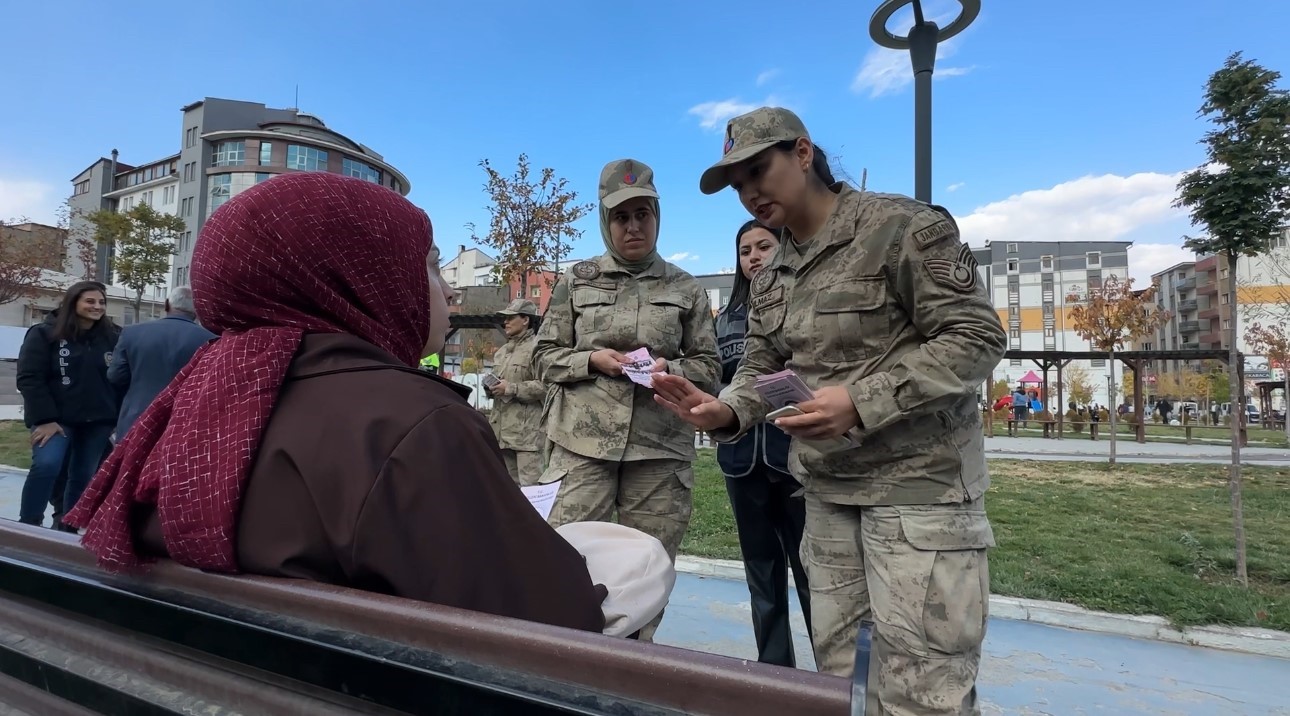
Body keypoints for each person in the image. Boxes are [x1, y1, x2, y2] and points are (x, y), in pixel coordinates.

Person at [64, 172, 607, 633]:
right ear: (360, 278)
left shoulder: (191, 402)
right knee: (628, 559)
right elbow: (551, 628)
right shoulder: (412, 424)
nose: (447, 292)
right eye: (431, 266)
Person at [653, 107, 1006, 712]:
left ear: (803, 153)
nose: (749, 192)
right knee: (841, 685)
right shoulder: (772, 275)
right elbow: (762, 366)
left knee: (924, 691)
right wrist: (727, 411)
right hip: (826, 497)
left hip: (918, 497)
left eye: (757, 171)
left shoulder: (901, 227)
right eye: (736, 184)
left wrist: (861, 402)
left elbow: (976, 336)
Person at [533, 158, 721, 642]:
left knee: (648, 575)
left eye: (643, 214)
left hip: (659, 452)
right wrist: (592, 360)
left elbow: (710, 365)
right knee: (563, 561)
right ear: (605, 220)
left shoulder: (685, 288)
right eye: (621, 216)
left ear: (658, 217)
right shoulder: (577, 281)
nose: (633, 226)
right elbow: (543, 356)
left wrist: (671, 370)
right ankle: (562, 661)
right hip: (581, 448)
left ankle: (635, 665)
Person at [715, 219, 811, 667]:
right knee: (761, 572)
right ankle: (776, 672)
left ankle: (832, 679)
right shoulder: (724, 320)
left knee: (812, 572)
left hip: (794, 459)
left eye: (764, 246)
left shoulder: (807, 307)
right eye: (745, 250)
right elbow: (714, 377)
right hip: (741, 460)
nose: (754, 257)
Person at [15, 281, 121, 530]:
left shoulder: (113, 337)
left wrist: (116, 417)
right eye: (90, 301)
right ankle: (28, 525)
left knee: (83, 475)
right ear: (73, 303)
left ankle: (68, 527)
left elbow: (121, 377)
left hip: (98, 422)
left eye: (102, 302)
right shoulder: (44, 333)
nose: (97, 307)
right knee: (47, 465)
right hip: (55, 421)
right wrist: (44, 419)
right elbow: (29, 378)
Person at [107, 285, 216, 442]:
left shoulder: (132, 333)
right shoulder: (211, 340)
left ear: (166, 304)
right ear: (197, 311)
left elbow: (116, 376)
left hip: (137, 417)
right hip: (184, 422)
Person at [486, 299, 547, 485]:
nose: (505, 322)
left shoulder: (539, 349)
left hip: (527, 436)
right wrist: (490, 388)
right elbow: (498, 385)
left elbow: (547, 387)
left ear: (525, 320)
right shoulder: (502, 351)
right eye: (505, 318)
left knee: (531, 492)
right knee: (508, 490)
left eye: (510, 318)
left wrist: (511, 388)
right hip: (501, 434)